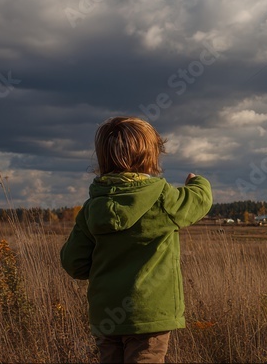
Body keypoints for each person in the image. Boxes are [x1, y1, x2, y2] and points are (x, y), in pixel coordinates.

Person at [60, 117, 213, 363]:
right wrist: (198, 182)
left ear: (103, 158)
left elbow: (73, 263)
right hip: (149, 314)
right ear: (150, 156)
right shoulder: (163, 199)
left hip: (106, 315)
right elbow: (199, 201)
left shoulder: (92, 208)